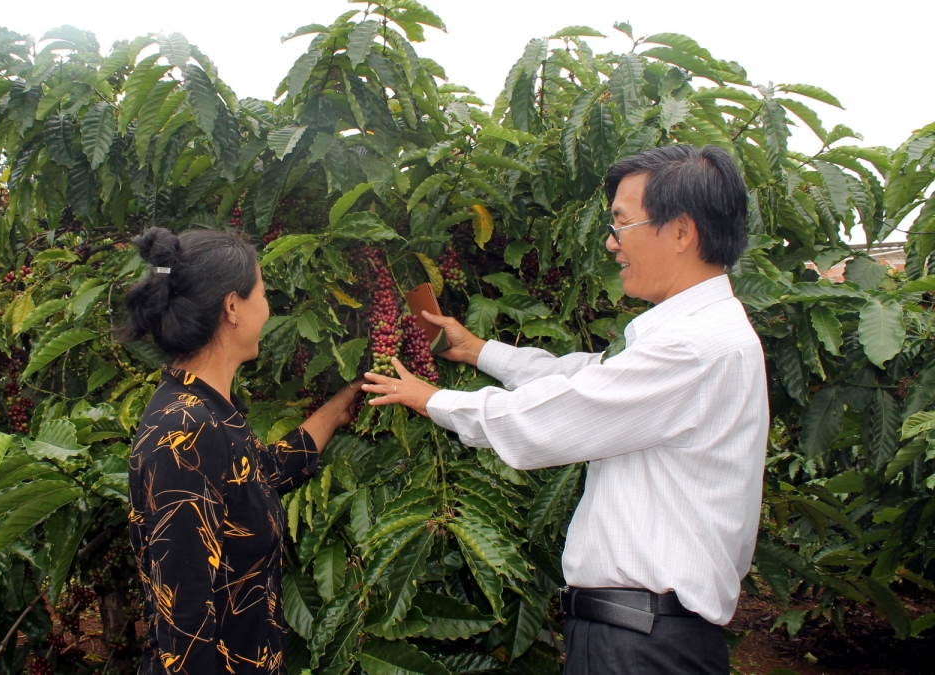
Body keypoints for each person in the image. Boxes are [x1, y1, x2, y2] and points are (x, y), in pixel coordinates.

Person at [361, 144, 768, 674]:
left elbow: (550, 419)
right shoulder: (693, 334)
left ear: (681, 231)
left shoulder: (692, 347)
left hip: (642, 646)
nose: (610, 242)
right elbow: (588, 377)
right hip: (641, 635)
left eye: (621, 224)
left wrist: (432, 399)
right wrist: (480, 351)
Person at [122, 227, 359, 675]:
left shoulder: (207, 407)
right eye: (263, 294)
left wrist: (341, 404)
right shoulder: (185, 431)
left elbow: (260, 475)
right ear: (232, 306)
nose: (268, 310)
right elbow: (185, 632)